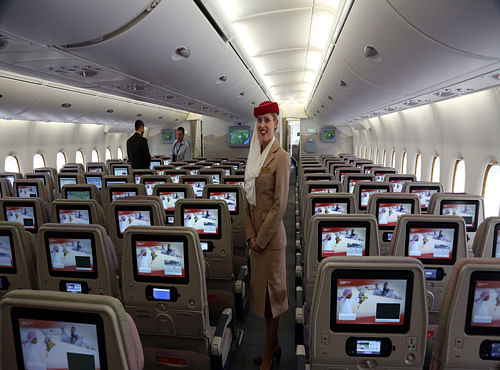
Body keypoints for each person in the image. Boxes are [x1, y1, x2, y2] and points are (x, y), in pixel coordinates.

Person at [244, 100, 290, 370]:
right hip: (256, 240)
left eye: (267, 120)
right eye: (259, 121)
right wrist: (250, 235)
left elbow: (280, 205)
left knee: (273, 301)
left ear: (275, 124)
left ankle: (270, 352)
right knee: (261, 299)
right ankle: (273, 345)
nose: (262, 125)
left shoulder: (281, 157)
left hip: (271, 242)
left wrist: (259, 240)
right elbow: (248, 200)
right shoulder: (253, 155)